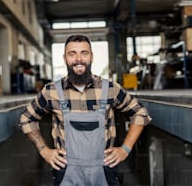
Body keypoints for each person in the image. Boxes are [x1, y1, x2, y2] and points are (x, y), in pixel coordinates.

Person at [19, 35, 151, 186]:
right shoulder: (52, 91)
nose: (78, 59)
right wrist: (44, 151)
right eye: (72, 53)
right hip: (66, 170)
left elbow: (140, 113)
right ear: (65, 58)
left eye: (84, 53)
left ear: (91, 56)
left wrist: (125, 149)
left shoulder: (109, 89)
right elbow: (26, 118)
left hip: (105, 169)